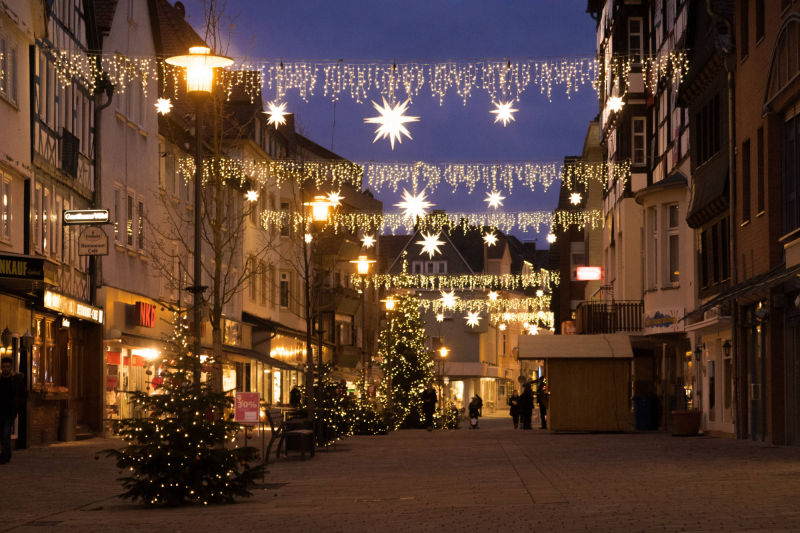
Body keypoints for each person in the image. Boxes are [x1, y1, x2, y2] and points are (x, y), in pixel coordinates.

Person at [0, 356, 26, 464]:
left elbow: (23, 394)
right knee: (2, 434)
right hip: (0, 410)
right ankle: (6, 453)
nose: (6, 369)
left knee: (6, 434)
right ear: (1, 367)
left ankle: (5, 456)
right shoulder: (0, 379)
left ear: (11, 367)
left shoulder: (16, 380)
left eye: (8, 367)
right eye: (4, 367)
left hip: (9, 411)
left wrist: (17, 405)